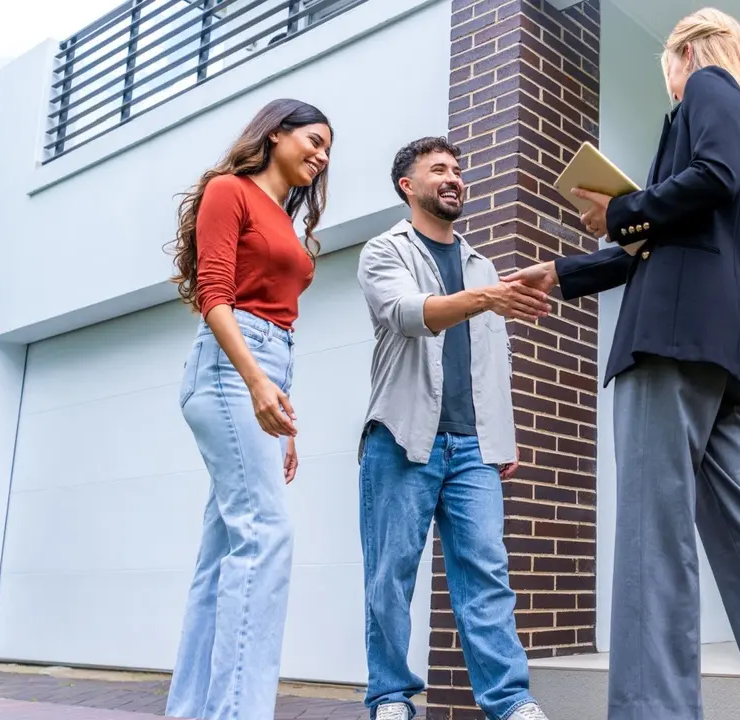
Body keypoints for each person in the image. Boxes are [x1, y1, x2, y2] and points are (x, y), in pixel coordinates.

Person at [503, 9, 740, 720]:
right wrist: (565, 272)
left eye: (666, 68)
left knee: (652, 536)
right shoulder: (736, 110)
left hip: (669, 343)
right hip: (723, 354)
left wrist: (620, 210)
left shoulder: (707, 85)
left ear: (686, 52)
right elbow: (664, 239)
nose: (669, 82)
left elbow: (706, 177)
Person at [355, 137, 553, 720]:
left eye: (458, 170)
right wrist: (485, 298)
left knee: (486, 576)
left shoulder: (480, 264)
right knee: (390, 576)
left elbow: (495, 357)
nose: (454, 178)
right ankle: (390, 697)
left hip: (473, 448)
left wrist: (502, 436)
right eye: (438, 169)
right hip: (402, 438)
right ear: (407, 186)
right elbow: (407, 314)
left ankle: (510, 701)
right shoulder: (384, 251)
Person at [164, 98, 332, 720]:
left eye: (328, 149)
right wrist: (256, 382)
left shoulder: (284, 220)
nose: (321, 156)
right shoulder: (228, 191)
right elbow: (214, 294)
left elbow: (281, 321)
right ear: (276, 134)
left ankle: (193, 711)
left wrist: (280, 405)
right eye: (314, 140)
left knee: (222, 556)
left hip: (267, 369)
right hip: (230, 369)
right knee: (265, 535)